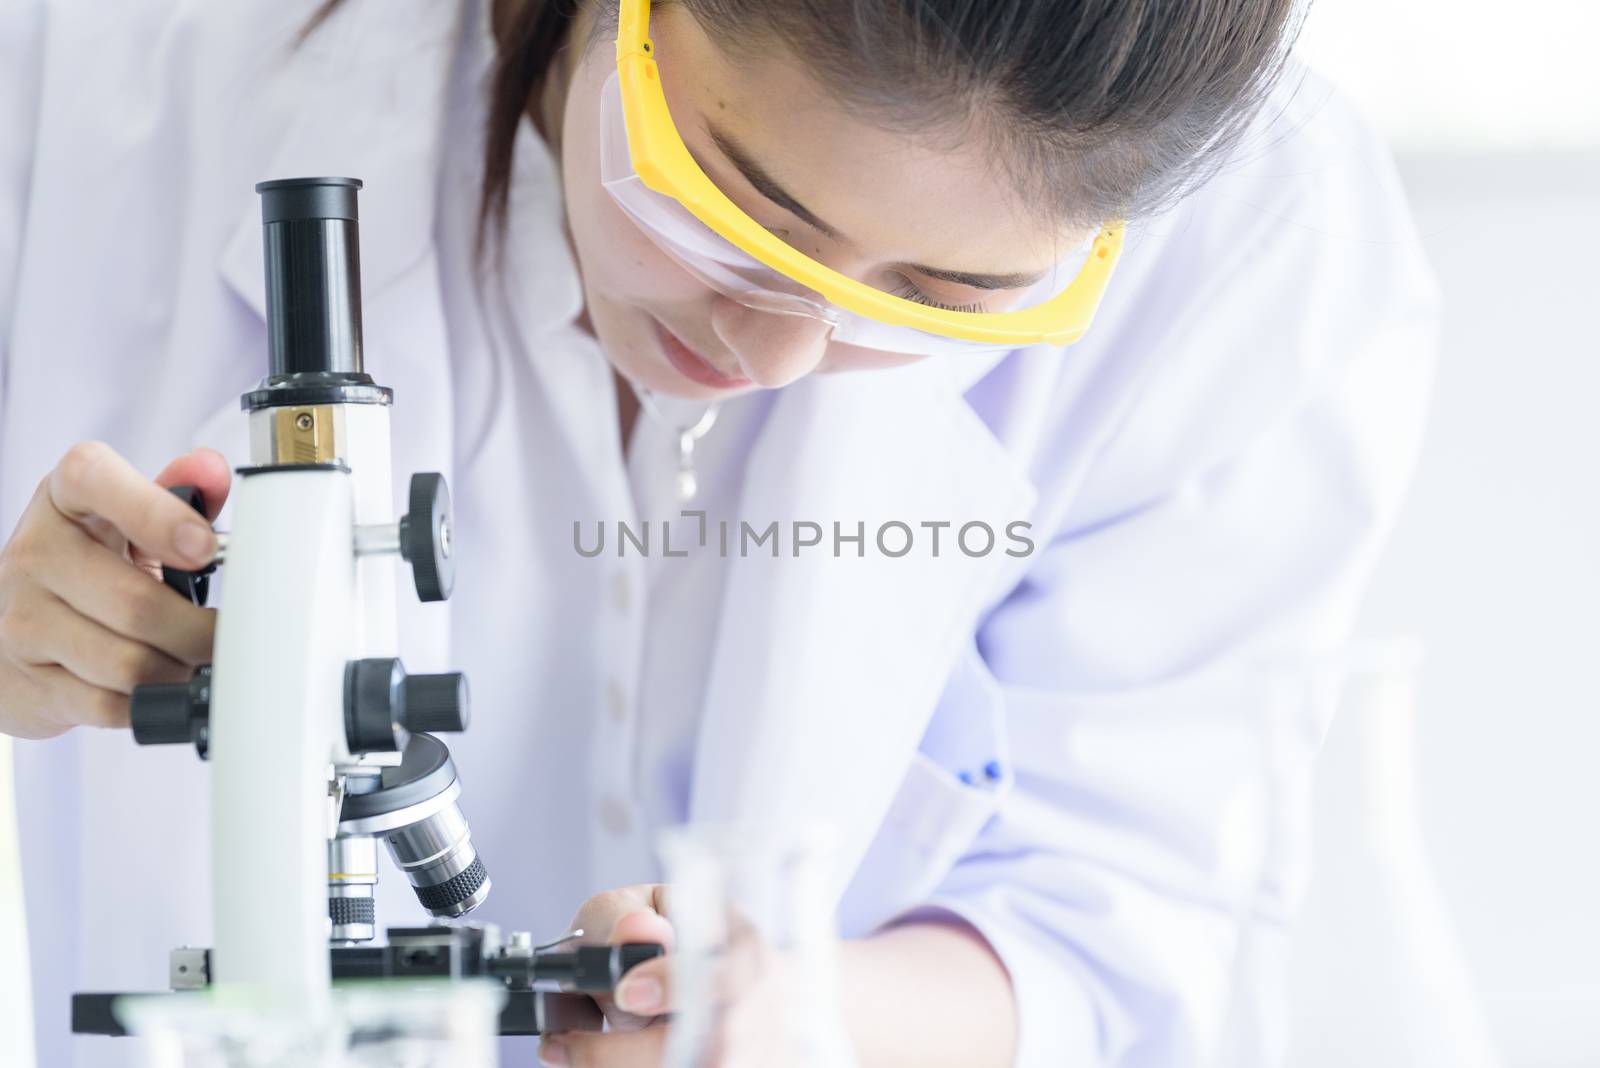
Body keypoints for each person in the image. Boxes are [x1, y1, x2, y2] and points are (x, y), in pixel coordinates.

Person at [0, 0, 1439, 1065]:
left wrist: (784, 1024)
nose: (777, 348)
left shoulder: (1252, 247)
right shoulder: (95, 79)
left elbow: (1130, 914)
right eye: (736, 206)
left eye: (944, 295)